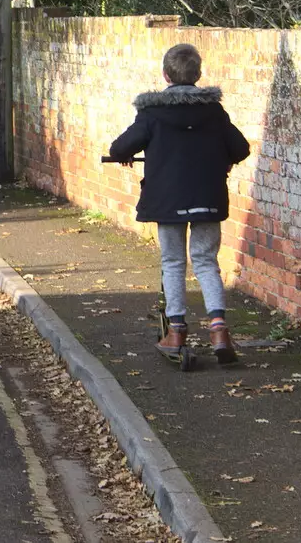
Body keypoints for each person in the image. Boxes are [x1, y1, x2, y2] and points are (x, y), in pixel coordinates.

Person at [108, 43, 251, 363]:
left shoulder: (152, 113)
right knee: (205, 261)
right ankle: (218, 331)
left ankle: (176, 332)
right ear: (198, 75)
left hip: (168, 200)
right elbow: (240, 148)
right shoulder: (214, 112)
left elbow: (119, 147)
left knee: (173, 261)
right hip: (207, 198)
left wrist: (127, 155)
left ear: (165, 75)